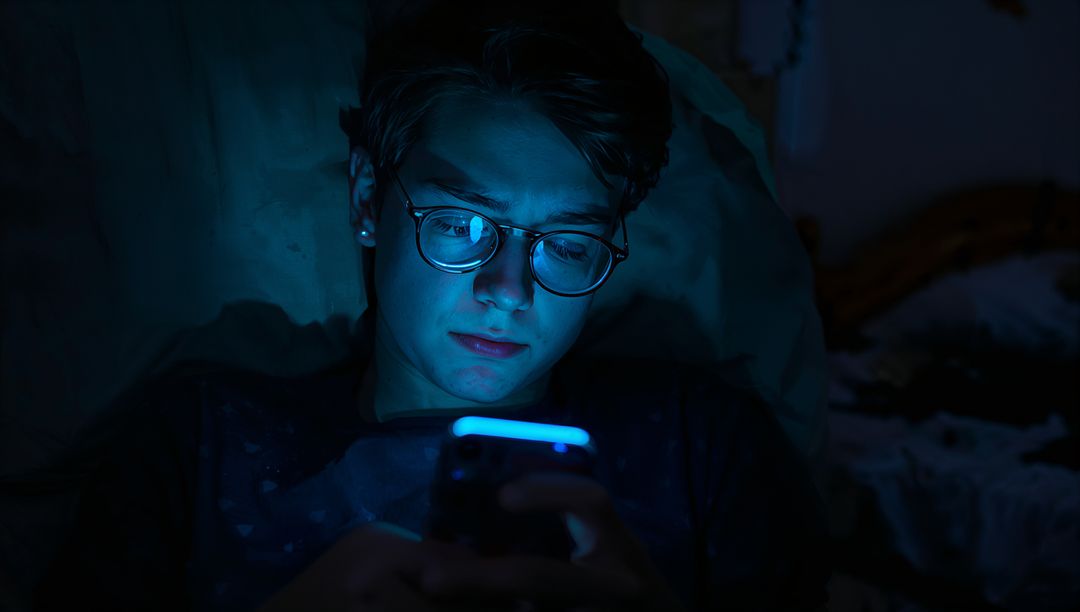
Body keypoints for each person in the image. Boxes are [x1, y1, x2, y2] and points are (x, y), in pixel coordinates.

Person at [36, 1, 829, 610]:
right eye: (459, 225)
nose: (508, 291)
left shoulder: (701, 446)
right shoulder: (204, 444)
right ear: (370, 198)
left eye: (566, 245)